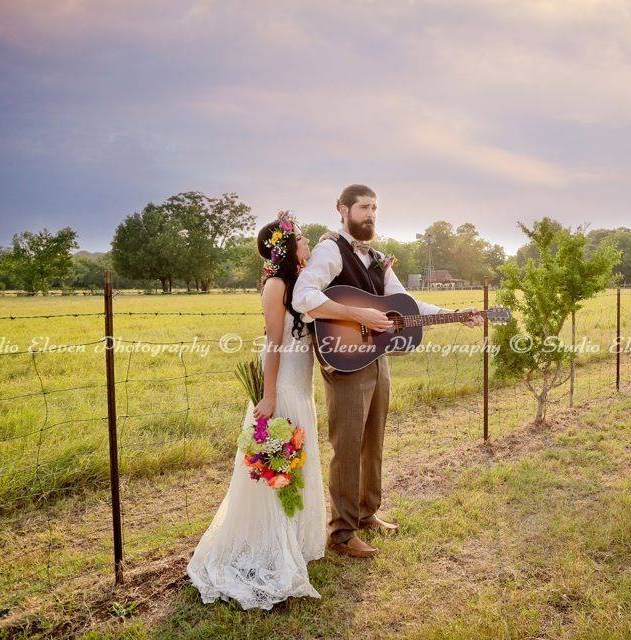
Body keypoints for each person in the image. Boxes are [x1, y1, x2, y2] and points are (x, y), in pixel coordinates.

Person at [293, 184, 481, 558]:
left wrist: (456, 315)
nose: (371, 215)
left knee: (372, 441)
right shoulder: (331, 249)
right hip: (345, 358)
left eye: (375, 208)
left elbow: (405, 304)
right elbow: (304, 297)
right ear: (342, 210)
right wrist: (357, 314)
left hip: (376, 357)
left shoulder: (377, 257)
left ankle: (366, 513)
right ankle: (342, 533)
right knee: (347, 447)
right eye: (364, 208)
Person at [188, 212, 326, 609]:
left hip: (302, 389)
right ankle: (268, 546)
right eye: (301, 238)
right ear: (284, 248)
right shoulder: (276, 286)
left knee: (299, 466)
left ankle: (294, 540)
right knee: (277, 473)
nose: (307, 242)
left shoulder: (301, 284)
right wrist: (267, 399)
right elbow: (274, 346)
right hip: (280, 391)